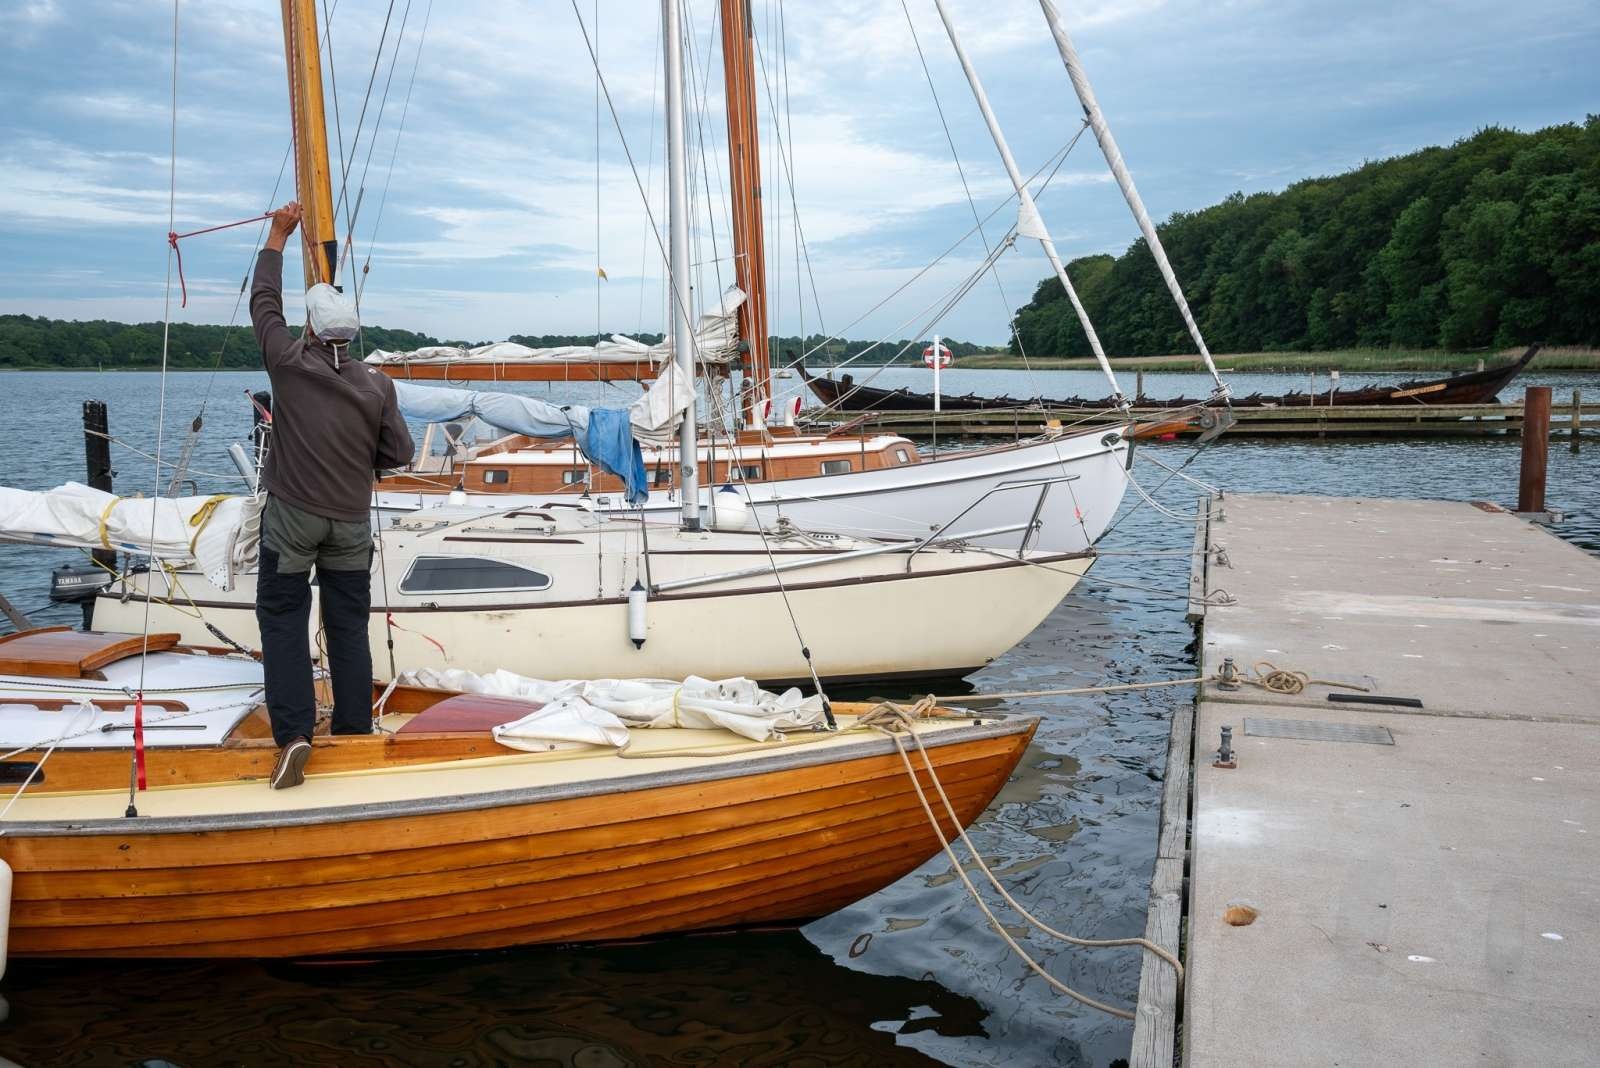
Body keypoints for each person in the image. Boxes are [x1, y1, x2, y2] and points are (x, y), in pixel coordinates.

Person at [251, 201, 414, 789]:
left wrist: (276, 235)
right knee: (348, 625)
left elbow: (263, 303)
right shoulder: (377, 385)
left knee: (283, 622)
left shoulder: (290, 364)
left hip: (293, 518)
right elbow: (399, 454)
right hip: (349, 522)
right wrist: (357, 461)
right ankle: (352, 729)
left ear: (313, 329)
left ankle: (295, 736)